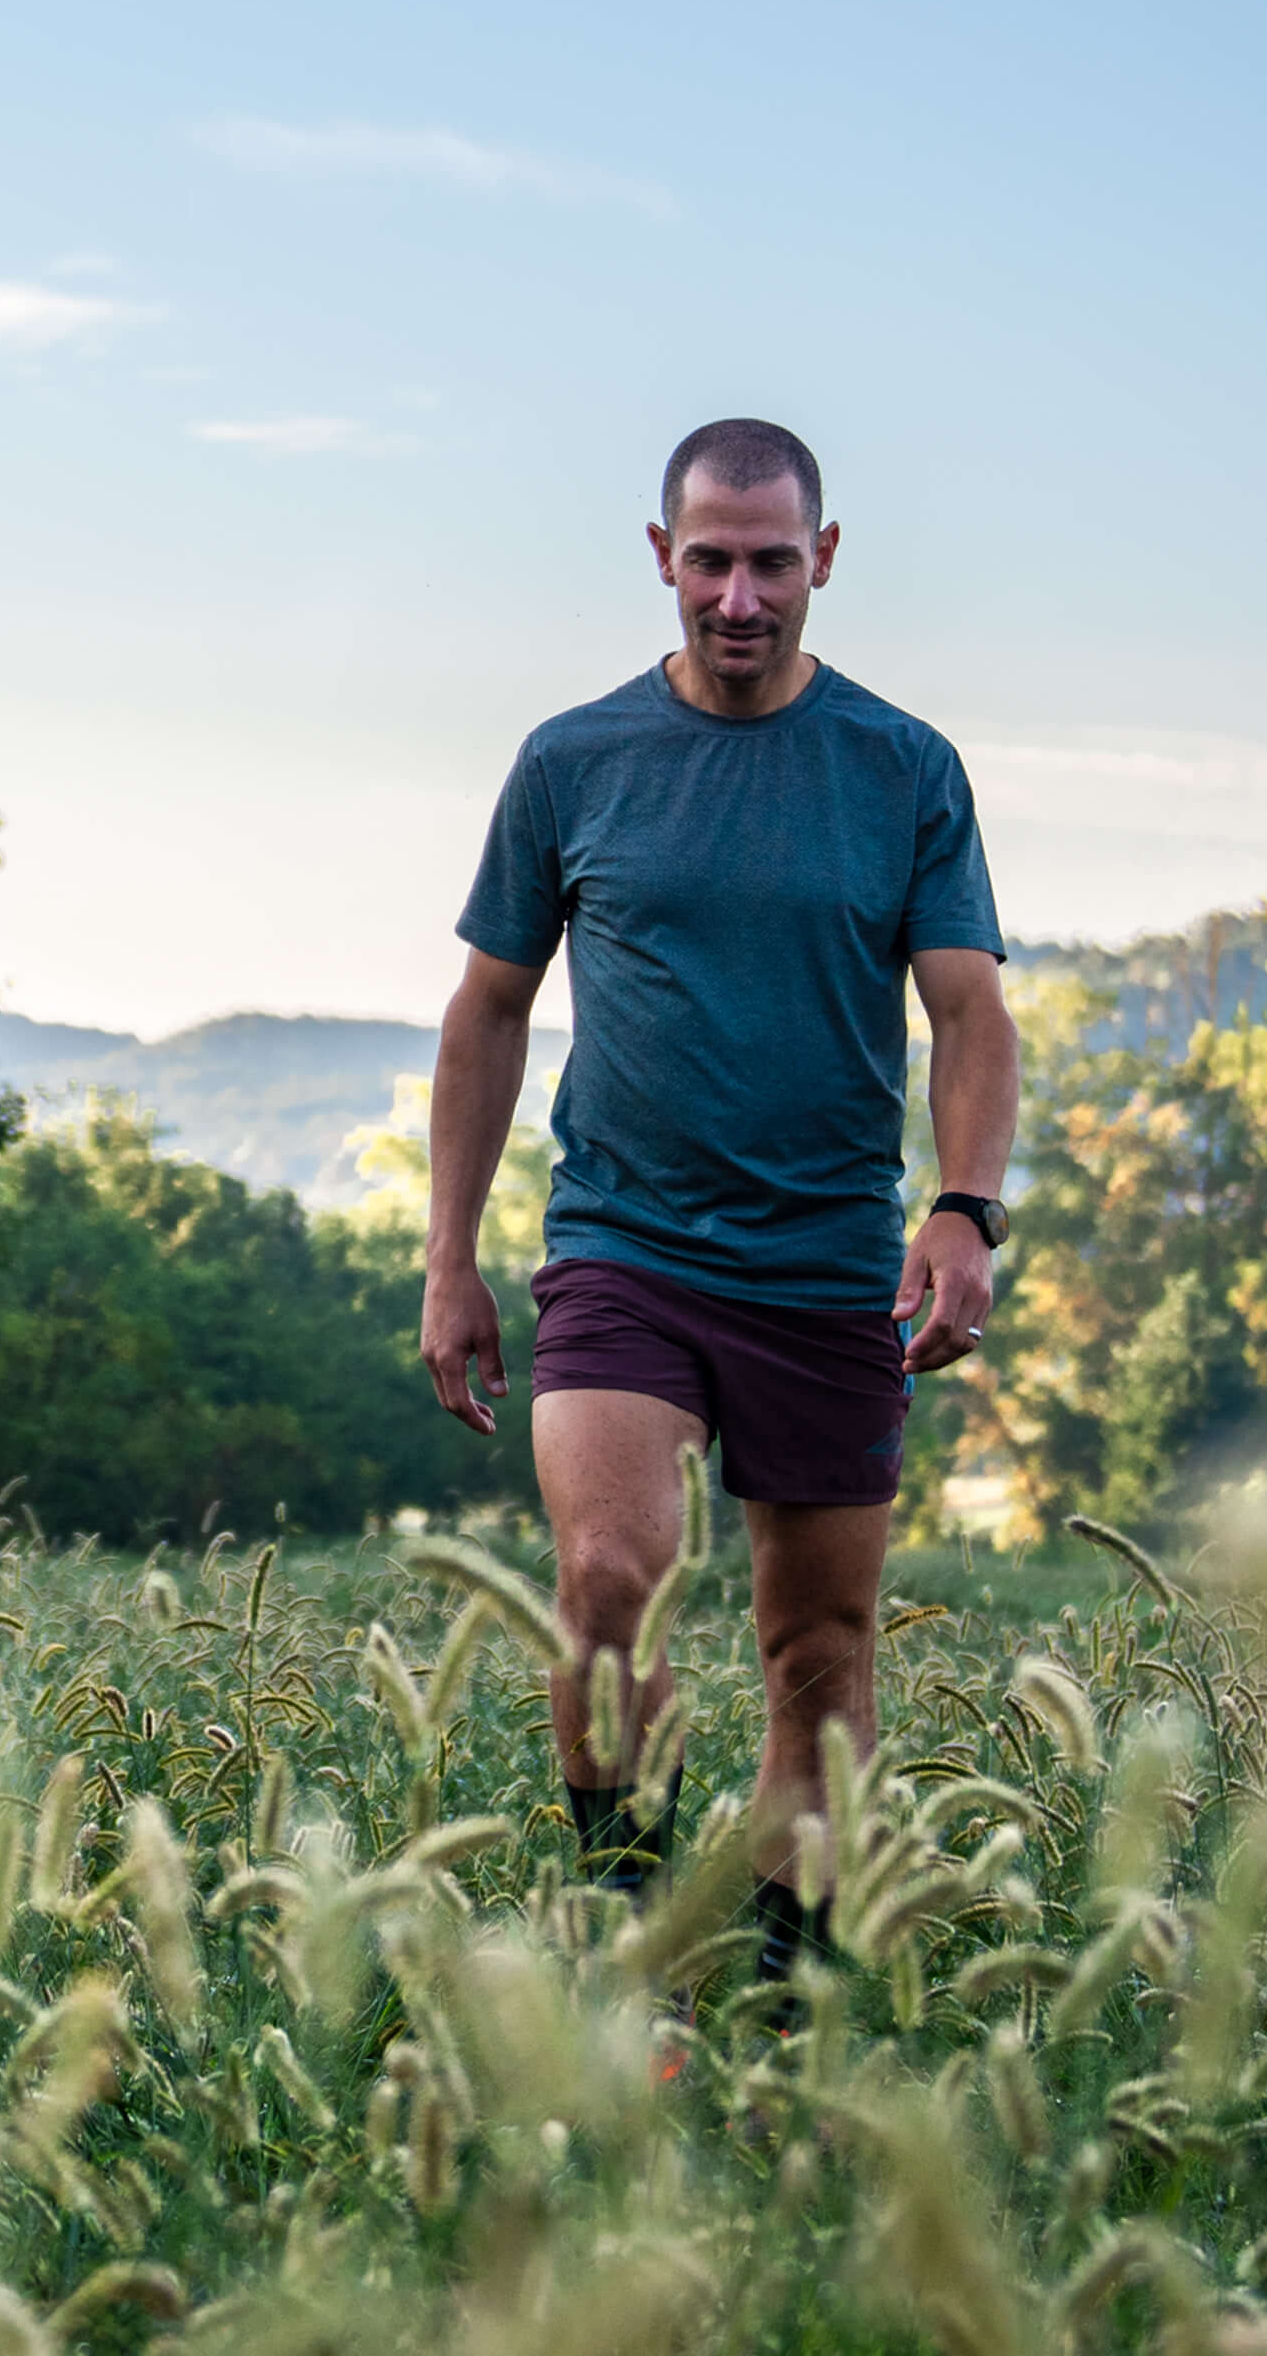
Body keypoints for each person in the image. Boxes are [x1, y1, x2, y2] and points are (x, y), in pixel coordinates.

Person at [420, 417, 1018, 1986]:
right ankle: (627, 1954)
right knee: (608, 1573)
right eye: (710, 559)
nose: (739, 596)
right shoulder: (572, 762)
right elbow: (486, 1011)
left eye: (771, 562)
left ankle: (780, 2001)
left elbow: (969, 1011)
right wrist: (450, 1254)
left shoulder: (904, 770)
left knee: (817, 1652)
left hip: (827, 1269)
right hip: (624, 1248)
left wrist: (965, 1206)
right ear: (661, 558)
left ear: (822, 560)